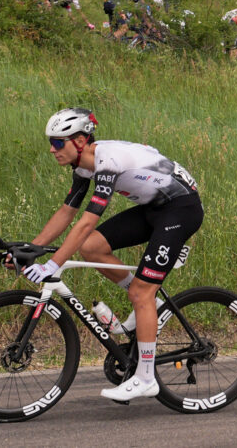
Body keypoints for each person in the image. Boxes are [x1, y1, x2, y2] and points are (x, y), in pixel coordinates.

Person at [22, 108, 203, 402]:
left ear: (79, 141)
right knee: (92, 247)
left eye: (57, 143)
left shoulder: (107, 163)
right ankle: (149, 304)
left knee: (140, 294)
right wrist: (31, 249)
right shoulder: (83, 166)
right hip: (154, 208)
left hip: (181, 209)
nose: (52, 150)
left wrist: (53, 264)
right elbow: (67, 212)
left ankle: (146, 378)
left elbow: (87, 220)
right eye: (51, 143)